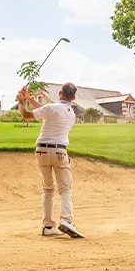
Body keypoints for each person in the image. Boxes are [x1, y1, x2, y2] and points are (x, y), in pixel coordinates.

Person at [16, 83, 85, 239]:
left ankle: (48, 226)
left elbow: (26, 115)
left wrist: (21, 101)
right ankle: (66, 220)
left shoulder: (51, 108)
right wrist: (27, 98)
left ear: (60, 93)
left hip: (41, 151)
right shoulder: (71, 114)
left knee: (48, 189)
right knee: (65, 189)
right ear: (73, 98)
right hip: (59, 152)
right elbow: (46, 110)